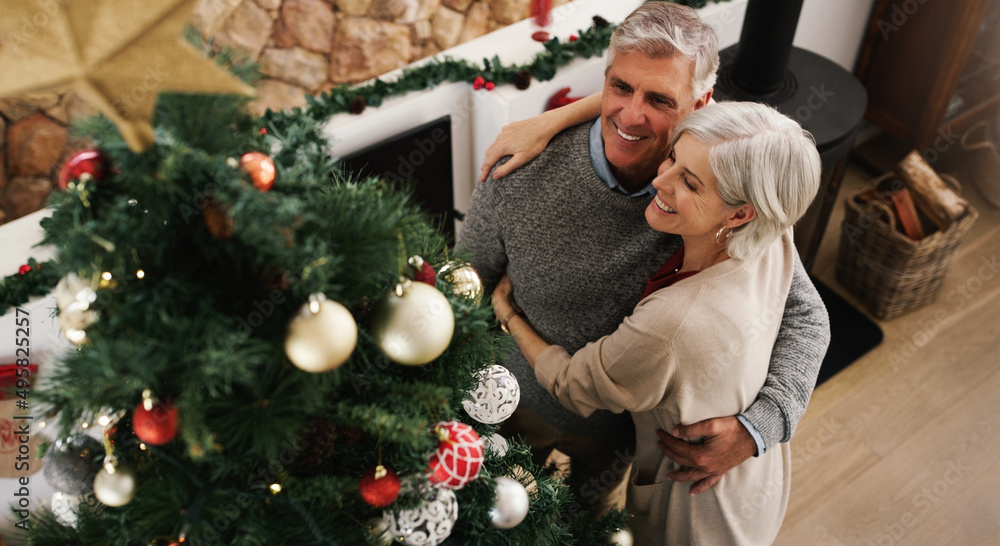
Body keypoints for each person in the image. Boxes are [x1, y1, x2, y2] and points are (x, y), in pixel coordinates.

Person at [458, 2, 830, 514]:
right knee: (490, 514)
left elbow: (807, 316)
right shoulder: (523, 171)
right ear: (604, 81)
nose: (632, 116)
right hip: (513, 403)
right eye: (619, 88)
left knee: (589, 518)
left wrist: (759, 428)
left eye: (659, 99)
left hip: (628, 434)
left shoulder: (733, 189)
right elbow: (464, 283)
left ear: (702, 104)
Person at [492, 101, 822, 543]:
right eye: (672, 157)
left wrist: (509, 314)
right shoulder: (770, 228)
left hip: (693, 512)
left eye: (688, 182)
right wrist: (548, 120)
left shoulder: (671, 326)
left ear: (740, 213)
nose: (658, 181)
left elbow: (574, 384)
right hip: (761, 473)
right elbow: (664, 83)